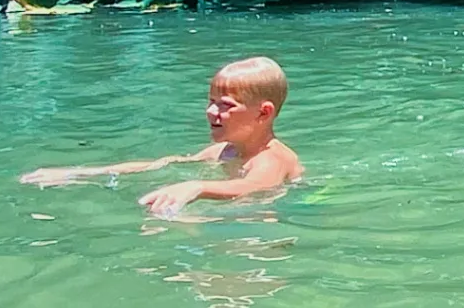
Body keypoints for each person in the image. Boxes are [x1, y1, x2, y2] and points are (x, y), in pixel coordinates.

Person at [20, 56, 303, 217]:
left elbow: (254, 187)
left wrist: (196, 187)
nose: (210, 112)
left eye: (225, 105)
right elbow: (161, 164)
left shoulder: (271, 158)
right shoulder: (225, 151)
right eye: (211, 101)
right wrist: (77, 173)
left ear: (263, 114)